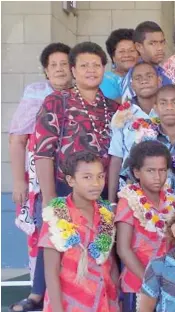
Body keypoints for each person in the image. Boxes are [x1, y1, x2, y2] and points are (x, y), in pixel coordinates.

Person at [8, 42, 72, 312]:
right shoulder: (36, 94)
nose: (59, 69)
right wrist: (19, 182)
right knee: (45, 233)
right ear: (46, 71)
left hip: (78, 179)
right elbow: (17, 139)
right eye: (53, 65)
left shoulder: (85, 94)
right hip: (40, 179)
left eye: (63, 64)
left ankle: (70, 289)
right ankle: (37, 292)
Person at [39, 151, 120, 312]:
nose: (96, 183)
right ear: (70, 180)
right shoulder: (57, 213)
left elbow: (110, 263)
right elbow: (50, 272)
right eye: (87, 177)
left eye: (100, 176)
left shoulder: (106, 213)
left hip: (105, 311)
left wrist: (117, 306)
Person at [35, 41, 119, 208]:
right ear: (73, 70)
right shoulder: (57, 101)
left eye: (96, 65)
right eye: (84, 65)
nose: (91, 70)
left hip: (103, 192)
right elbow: (43, 153)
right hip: (65, 191)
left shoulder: (113, 108)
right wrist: (50, 197)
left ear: (103, 69)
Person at [115, 140, 175, 312]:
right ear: (136, 172)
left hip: (168, 284)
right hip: (138, 284)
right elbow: (123, 250)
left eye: (162, 170)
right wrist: (150, 282)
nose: (157, 177)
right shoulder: (129, 201)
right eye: (150, 171)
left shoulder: (172, 201)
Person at [130, 84, 175, 201]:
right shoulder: (144, 138)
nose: (169, 107)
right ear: (156, 108)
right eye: (163, 103)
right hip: (151, 207)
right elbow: (130, 174)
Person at [108, 62, 163, 202]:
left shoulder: (169, 110)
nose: (144, 80)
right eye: (138, 78)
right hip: (131, 189)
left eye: (149, 76)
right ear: (132, 85)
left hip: (166, 188)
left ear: (159, 81)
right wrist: (112, 201)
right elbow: (116, 158)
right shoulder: (122, 115)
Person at [121, 21, 171, 101]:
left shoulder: (164, 72)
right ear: (139, 47)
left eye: (162, 42)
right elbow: (128, 110)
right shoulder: (132, 78)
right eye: (152, 43)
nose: (160, 48)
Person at [101, 28, 138, 101]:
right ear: (113, 57)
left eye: (132, 50)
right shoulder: (106, 80)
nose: (127, 55)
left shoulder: (145, 77)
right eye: (121, 51)